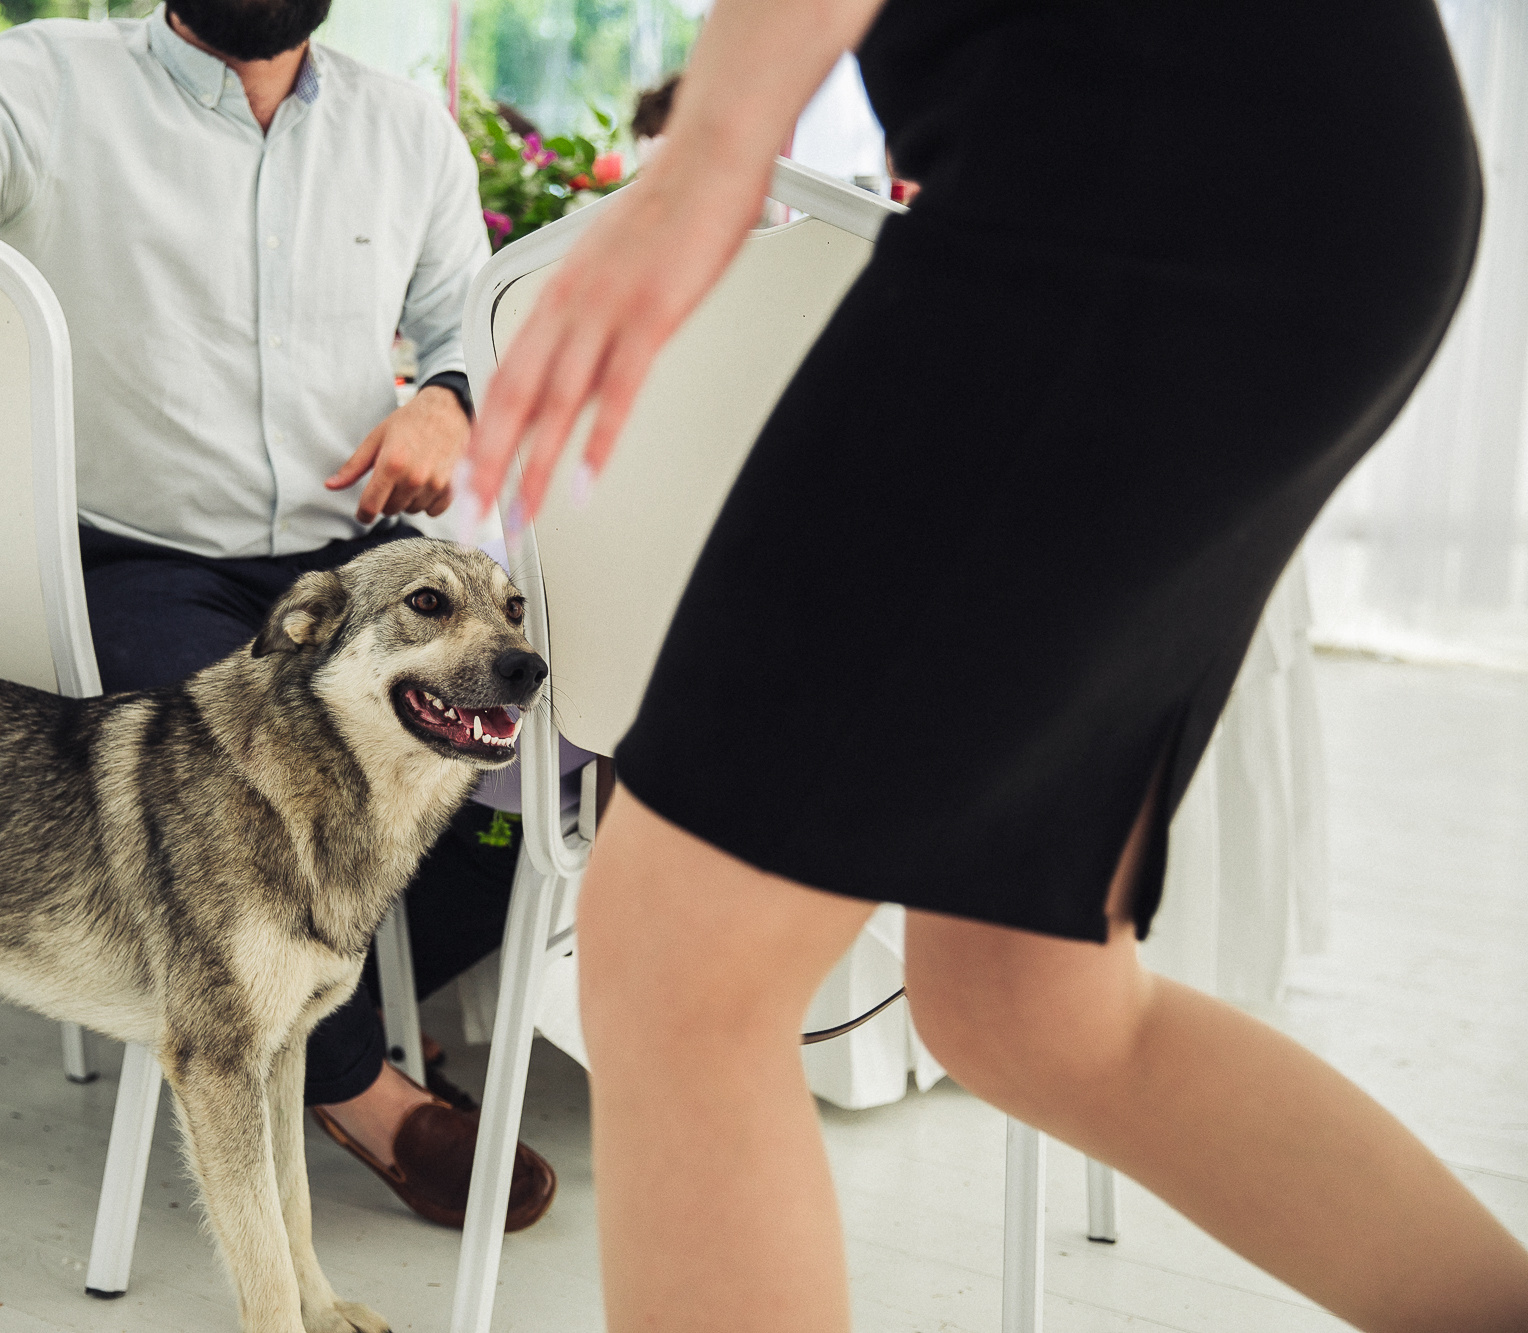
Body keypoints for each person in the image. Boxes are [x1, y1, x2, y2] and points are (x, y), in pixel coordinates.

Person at [461, 1, 1528, 1330]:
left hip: (1151, 168)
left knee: (676, 972)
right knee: (1031, 1004)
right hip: (1263, 168)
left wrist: (708, 157)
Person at [0, 0, 555, 1231]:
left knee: (536, 769)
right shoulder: (52, 76)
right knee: (244, 792)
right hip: (139, 563)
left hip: (354, 565)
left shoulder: (407, 127)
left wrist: (446, 396)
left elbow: (470, 326)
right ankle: (366, 1096)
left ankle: (316, 1013)